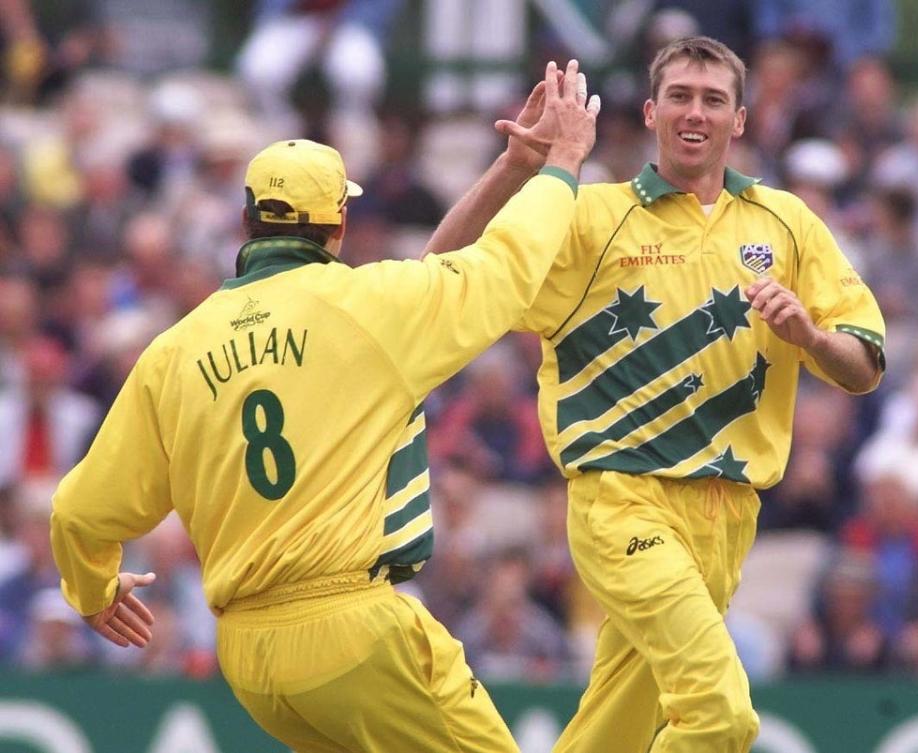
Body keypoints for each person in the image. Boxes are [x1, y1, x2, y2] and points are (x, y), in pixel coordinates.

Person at [50, 59, 600, 753]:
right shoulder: (372, 308)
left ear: (247, 220)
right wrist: (563, 164)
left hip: (250, 657)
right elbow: (509, 264)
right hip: (352, 631)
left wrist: (92, 588)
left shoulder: (174, 349)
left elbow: (77, 511)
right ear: (339, 221)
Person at [424, 36, 885, 753]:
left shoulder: (786, 222)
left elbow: (863, 363)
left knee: (612, 732)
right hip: (623, 500)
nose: (693, 112)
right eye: (679, 96)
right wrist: (518, 166)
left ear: (739, 121)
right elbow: (442, 271)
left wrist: (813, 338)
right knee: (721, 716)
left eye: (712, 99)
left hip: (727, 518)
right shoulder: (589, 216)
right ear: (649, 111)